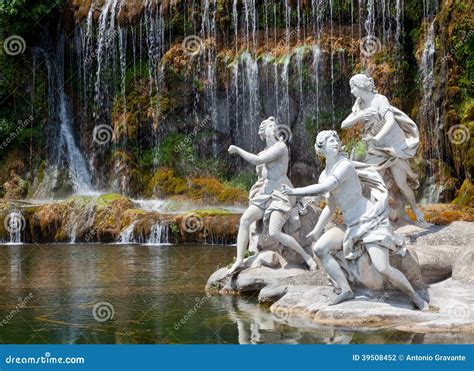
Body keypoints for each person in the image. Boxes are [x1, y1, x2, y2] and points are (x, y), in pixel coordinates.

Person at [281, 130, 428, 310]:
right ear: (321, 148)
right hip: (349, 225)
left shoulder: (345, 166)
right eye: (329, 140)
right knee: (320, 248)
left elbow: (324, 188)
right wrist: (317, 229)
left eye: (336, 139)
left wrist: (294, 192)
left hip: (369, 221)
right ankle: (345, 290)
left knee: (383, 267)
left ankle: (415, 297)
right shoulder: (323, 175)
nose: (335, 142)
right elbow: (330, 206)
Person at [227, 117, 317, 275]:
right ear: (263, 132)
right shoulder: (264, 151)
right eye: (271, 126)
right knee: (245, 220)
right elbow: (262, 175)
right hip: (265, 195)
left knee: (274, 232)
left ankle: (306, 257)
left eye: (275, 126)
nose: (275, 127)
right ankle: (239, 260)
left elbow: (257, 160)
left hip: (280, 194)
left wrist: (237, 149)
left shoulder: (281, 147)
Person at [341, 74, 426, 223]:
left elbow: (390, 121)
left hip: (393, 146)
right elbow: (344, 124)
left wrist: (378, 137)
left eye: (353, 87)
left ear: (361, 86)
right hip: (375, 149)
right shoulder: (359, 105)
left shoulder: (379, 100)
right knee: (374, 182)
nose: (351, 91)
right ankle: (375, 216)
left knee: (401, 183)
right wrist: (360, 116)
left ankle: (416, 209)